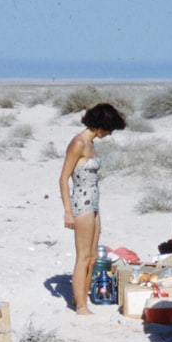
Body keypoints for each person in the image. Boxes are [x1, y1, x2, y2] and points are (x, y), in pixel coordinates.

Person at [58, 103, 127, 315]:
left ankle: (81, 296)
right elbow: (63, 179)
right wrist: (68, 211)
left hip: (94, 203)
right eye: (109, 128)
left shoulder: (91, 143)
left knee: (94, 258)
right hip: (82, 202)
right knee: (83, 257)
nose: (109, 133)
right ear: (101, 125)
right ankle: (80, 305)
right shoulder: (78, 143)